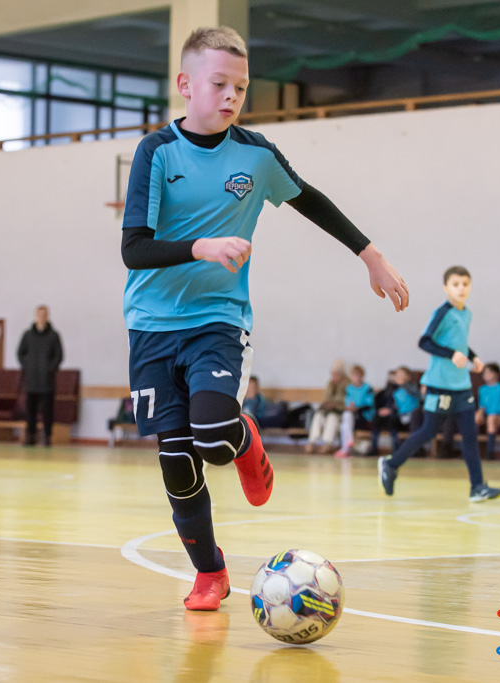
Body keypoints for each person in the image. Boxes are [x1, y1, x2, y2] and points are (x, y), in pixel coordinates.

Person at [121, 26, 408, 611]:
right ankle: (210, 573)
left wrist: (370, 254)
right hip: (151, 324)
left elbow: (310, 199)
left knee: (213, 439)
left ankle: (244, 439)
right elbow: (134, 249)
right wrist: (201, 246)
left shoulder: (256, 155)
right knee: (177, 462)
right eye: (219, 84)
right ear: (185, 85)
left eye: (241, 87)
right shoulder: (157, 152)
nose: (232, 96)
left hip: (218, 320)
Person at [378, 266, 500, 502]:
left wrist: (473, 357)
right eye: (456, 284)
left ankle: (477, 487)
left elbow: (459, 344)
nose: (461, 288)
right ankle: (391, 464)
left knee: (470, 434)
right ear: (446, 288)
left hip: (461, 385)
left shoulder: (466, 313)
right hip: (440, 385)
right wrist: (450, 355)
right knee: (428, 431)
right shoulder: (443, 313)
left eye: (465, 284)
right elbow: (424, 342)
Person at [17, 305, 63, 446]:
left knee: (47, 411)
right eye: (39, 315)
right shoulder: (27, 335)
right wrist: (28, 367)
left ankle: (47, 436)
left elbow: (59, 355)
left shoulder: (54, 335)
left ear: (47, 317)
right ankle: (31, 436)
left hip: (47, 381)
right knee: (30, 411)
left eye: (44, 315)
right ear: (36, 316)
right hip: (31, 381)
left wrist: (50, 369)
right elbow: (20, 353)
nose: (41, 317)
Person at [371, 366, 422, 456]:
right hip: (397, 416)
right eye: (397, 375)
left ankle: (415, 449)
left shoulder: (412, 387)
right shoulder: (393, 390)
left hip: (411, 415)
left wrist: (404, 384)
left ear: (408, 377)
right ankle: (375, 447)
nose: (398, 377)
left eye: (401, 374)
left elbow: (415, 397)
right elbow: (390, 404)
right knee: (379, 417)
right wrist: (386, 410)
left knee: (405, 417)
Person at [304, 360, 349, 454]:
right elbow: (324, 398)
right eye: (333, 373)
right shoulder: (330, 383)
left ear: (342, 374)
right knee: (318, 415)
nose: (334, 375)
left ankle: (328, 444)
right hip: (327, 411)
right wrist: (325, 403)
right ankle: (312, 442)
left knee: (332, 418)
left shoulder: (347, 384)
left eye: (336, 373)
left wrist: (334, 404)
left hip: (339, 413)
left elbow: (346, 401)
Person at [475, 363, 500, 460]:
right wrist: (479, 414)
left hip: (499, 415)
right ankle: (471, 450)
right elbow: (481, 406)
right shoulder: (482, 389)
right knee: (474, 418)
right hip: (486, 414)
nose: (486, 375)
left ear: (496, 374)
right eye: (484, 373)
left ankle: (490, 452)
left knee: (491, 419)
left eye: (489, 372)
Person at [335, 364, 374, 458]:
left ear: (362, 376)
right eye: (354, 375)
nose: (356, 378)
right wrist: (350, 407)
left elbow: (369, 404)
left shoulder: (367, 388)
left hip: (364, 416)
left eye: (358, 375)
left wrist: (357, 408)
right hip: (352, 415)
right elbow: (347, 403)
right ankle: (348, 444)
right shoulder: (349, 388)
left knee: (346, 420)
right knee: (346, 417)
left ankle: (346, 447)